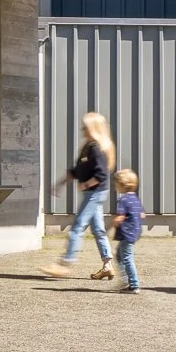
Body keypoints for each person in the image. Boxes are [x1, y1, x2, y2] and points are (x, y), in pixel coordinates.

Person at [41, 110, 117, 279]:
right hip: (94, 193)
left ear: (94, 128)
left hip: (94, 193)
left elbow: (101, 175)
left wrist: (86, 184)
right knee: (98, 230)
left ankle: (65, 264)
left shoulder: (96, 149)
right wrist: (59, 184)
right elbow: (76, 171)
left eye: (85, 126)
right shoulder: (88, 148)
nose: (82, 129)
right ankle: (107, 265)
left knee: (77, 227)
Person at [110, 169, 145, 294]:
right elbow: (142, 215)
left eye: (116, 184)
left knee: (126, 258)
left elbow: (120, 217)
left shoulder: (123, 200)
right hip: (134, 233)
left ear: (121, 185)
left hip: (126, 234)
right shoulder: (135, 199)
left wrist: (111, 225)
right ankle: (126, 279)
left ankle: (133, 284)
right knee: (119, 255)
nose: (115, 186)